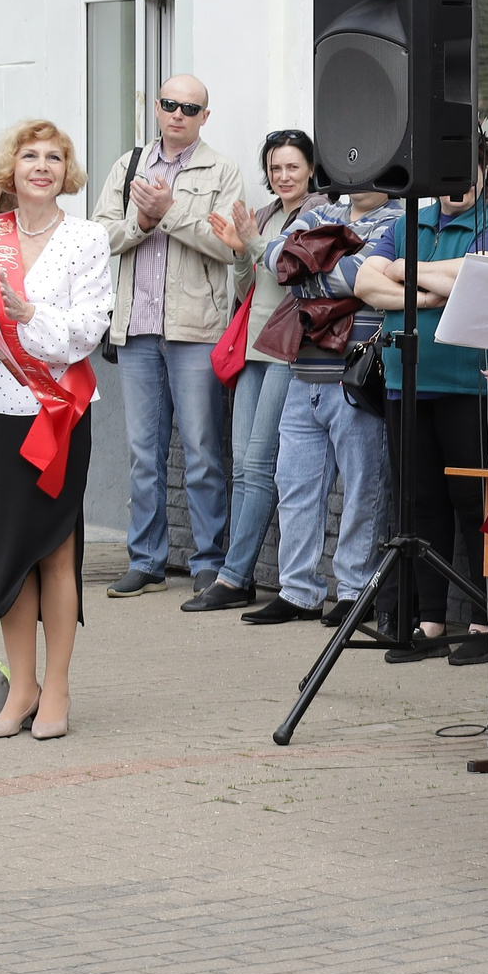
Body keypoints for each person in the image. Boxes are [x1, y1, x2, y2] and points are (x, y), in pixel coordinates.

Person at [0, 121, 113, 742]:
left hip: (58, 410)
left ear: (65, 170)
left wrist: (30, 315)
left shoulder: (86, 238)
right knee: (7, 550)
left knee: (54, 548)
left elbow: (88, 327)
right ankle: (22, 688)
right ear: (9, 170)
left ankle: (60, 688)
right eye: (29, 157)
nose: (41, 166)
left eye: (54, 157)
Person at [356, 146, 488, 663]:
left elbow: (476, 279)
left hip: (469, 386)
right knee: (419, 504)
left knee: (472, 504)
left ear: (482, 172)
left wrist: (404, 270)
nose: (455, 181)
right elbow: (363, 280)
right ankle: (427, 623)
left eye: (466, 168)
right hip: (407, 381)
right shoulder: (411, 220)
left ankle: (482, 620)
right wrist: (428, 292)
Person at [92, 75, 241, 598]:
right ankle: (146, 559)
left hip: (196, 328)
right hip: (135, 327)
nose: (178, 114)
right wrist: (142, 221)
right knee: (143, 452)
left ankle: (208, 561)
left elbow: (230, 247)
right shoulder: (128, 165)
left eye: (190, 107)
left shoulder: (222, 170)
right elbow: (99, 236)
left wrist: (168, 212)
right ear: (156, 108)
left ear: (205, 115)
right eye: (170, 104)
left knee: (202, 451)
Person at [243, 178, 400, 627]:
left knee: (362, 487)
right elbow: (277, 259)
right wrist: (332, 273)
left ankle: (354, 591)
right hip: (303, 370)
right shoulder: (321, 212)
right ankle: (298, 592)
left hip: (356, 373)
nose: (363, 176)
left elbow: (364, 277)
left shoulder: (398, 221)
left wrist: (310, 270)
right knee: (293, 485)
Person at [184, 129, 315, 615]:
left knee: (259, 465)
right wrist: (241, 252)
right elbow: (246, 287)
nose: (283, 176)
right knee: (242, 466)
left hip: (289, 348)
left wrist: (255, 243)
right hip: (252, 348)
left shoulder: (318, 213)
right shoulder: (262, 215)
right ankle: (234, 577)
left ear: (310, 169)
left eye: (292, 167)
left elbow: (294, 273)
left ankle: (234, 576)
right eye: (276, 168)